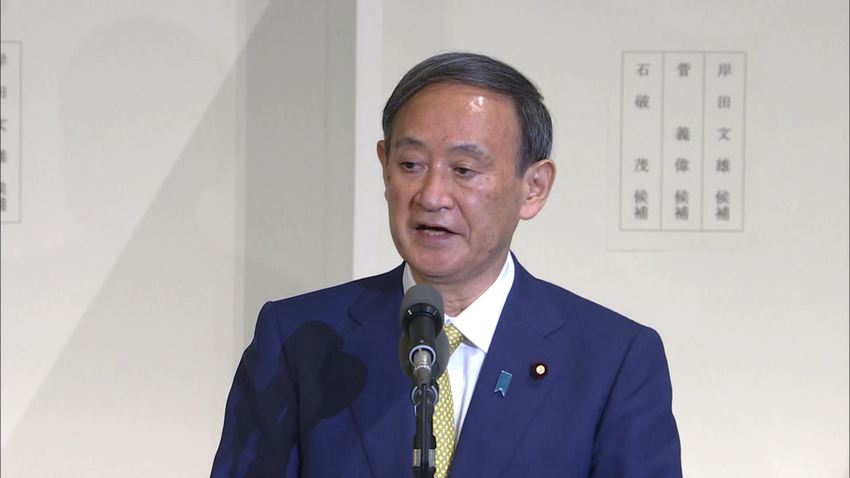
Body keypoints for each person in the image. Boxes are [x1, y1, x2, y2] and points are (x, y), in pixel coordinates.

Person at [211, 52, 682, 478]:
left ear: (533, 187)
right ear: (384, 166)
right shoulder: (298, 340)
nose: (432, 195)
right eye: (411, 164)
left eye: (464, 170)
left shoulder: (612, 361)